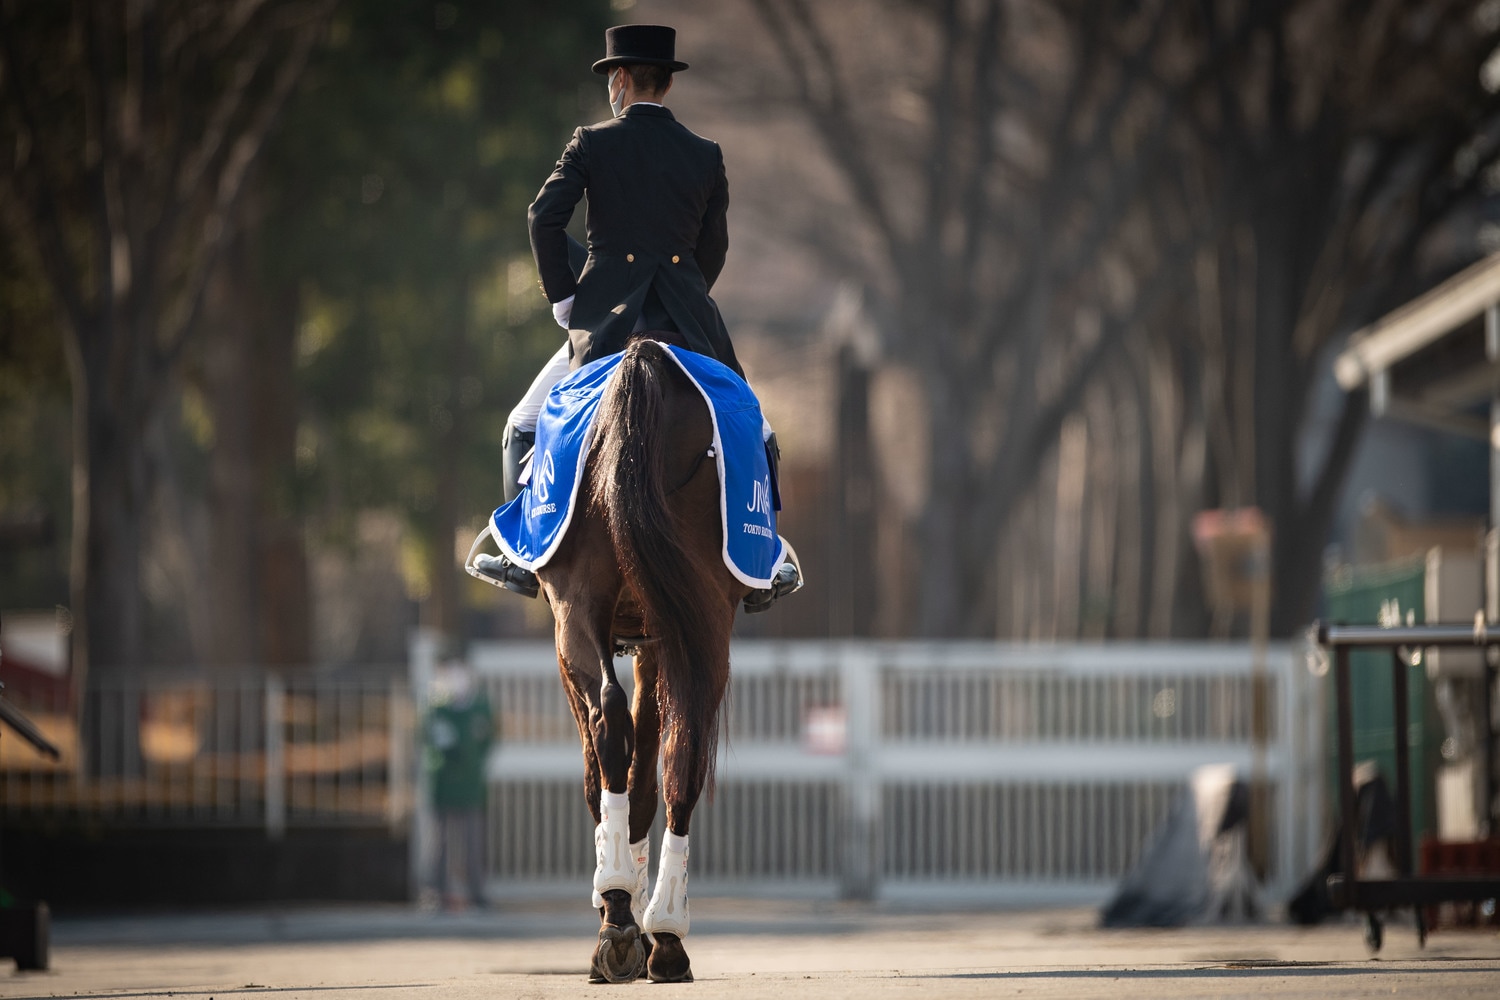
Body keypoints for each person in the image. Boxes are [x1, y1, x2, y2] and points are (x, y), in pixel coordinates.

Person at [473, 24, 801, 611]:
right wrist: (683, 298)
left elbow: (543, 218)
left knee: (521, 426)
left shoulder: (591, 143)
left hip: (604, 330)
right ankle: (767, 560)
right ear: (668, 83)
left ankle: (521, 560)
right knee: (756, 428)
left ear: (619, 80)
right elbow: (713, 250)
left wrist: (567, 302)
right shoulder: (705, 154)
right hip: (689, 327)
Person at [423, 653, 494, 911]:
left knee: (473, 843)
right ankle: (436, 892)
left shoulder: (480, 707)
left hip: (472, 786)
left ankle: (476, 893)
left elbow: (488, 740)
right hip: (443, 786)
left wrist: (472, 762)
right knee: (439, 842)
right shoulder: (436, 708)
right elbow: (430, 742)